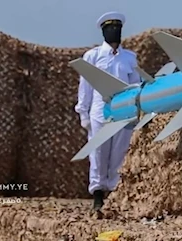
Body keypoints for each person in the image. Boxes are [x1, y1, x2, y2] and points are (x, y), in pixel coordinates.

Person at [74, 11, 141, 211]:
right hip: (99, 111)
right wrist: (83, 113)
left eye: (118, 28)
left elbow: (135, 84)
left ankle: (114, 189)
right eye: (111, 29)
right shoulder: (93, 56)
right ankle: (97, 192)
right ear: (104, 32)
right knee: (98, 153)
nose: (115, 32)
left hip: (124, 111)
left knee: (119, 153)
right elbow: (85, 87)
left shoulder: (129, 58)